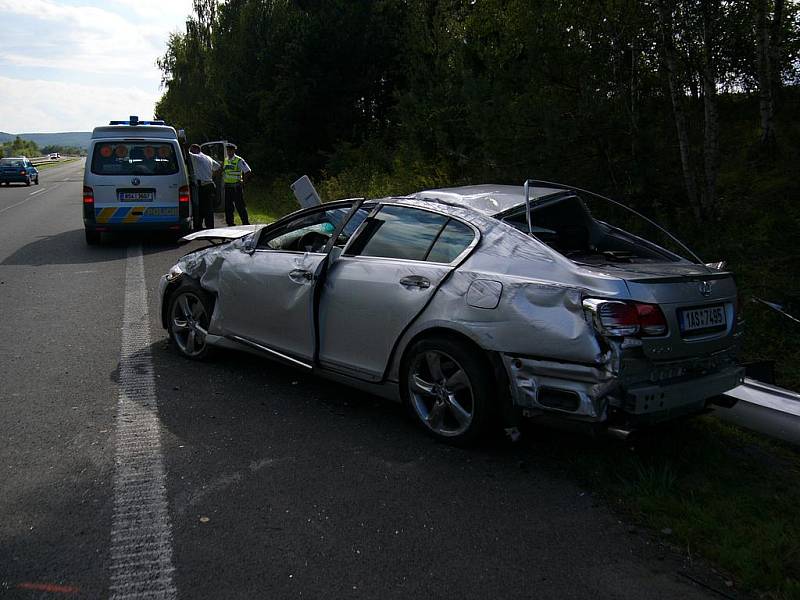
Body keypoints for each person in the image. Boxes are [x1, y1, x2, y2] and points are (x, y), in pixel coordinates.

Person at [188, 144, 220, 230]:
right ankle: (209, 226)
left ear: (195, 150)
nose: (191, 152)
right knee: (208, 207)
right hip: (209, 184)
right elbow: (218, 167)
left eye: (192, 150)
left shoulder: (197, 157)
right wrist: (211, 177)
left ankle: (198, 226)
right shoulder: (208, 158)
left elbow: (187, 154)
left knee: (199, 207)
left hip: (202, 186)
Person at [222, 143, 252, 226]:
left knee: (240, 206)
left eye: (230, 150)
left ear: (234, 150)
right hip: (228, 187)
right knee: (228, 207)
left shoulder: (239, 160)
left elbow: (247, 171)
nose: (228, 151)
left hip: (236, 187)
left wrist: (243, 182)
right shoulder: (226, 160)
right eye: (227, 150)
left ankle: (245, 223)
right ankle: (230, 224)